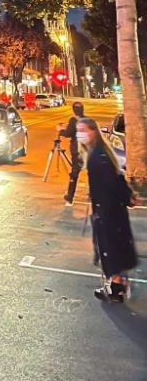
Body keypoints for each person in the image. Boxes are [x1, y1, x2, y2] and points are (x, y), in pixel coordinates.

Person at [77, 117, 137, 303]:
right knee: (114, 247)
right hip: (110, 210)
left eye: (84, 130)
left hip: (107, 212)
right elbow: (116, 179)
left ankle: (116, 288)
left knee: (109, 249)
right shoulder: (98, 153)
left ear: (94, 131)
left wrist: (125, 197)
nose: (80, 134)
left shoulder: (98, 157)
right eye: (79, 130)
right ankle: (118, 284)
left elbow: (111, 183)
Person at [58, 100, 85, 206]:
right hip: (86, 150)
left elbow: (68, 133)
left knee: (74, 174)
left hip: (77, 151)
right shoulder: (87, 120)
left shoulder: (73, 120)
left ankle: (70, 197)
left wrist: (60, 130)